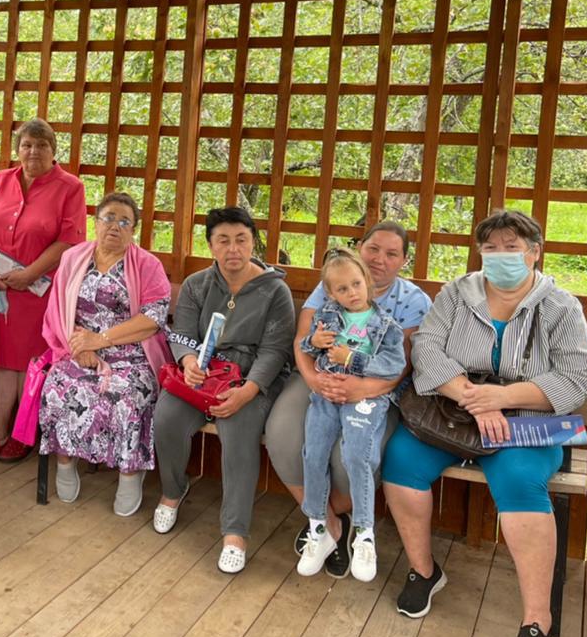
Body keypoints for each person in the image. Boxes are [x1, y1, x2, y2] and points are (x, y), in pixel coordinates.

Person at [381, 210, 587, 637]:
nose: (501, 257)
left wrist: (504, 396)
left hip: (529, 415)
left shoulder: (560, 307)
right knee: (399, 461)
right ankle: (424, 570)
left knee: (520, 483)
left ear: (535, 252)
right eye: (491, 248)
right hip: (456, 409)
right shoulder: (457, 294)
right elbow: (428, 350)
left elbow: (577, 379)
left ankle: (537, 619)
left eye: (512, 247)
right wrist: (474, 398)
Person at [264, 220, 431, 577]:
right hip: (320, 380)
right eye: (372, 249)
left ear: (403, 260)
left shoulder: (413, 300)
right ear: (360, 248)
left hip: (379, 389)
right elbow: (304, 340)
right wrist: (315, 380)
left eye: (391, 253)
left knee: (351, 457)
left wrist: (363, 388)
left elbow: (402, 364)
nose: (379, 259)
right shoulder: (333, 285)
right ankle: (326, 526)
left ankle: (336, 524)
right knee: (282, 434)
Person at [151, 206, 294, 574]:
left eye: (241, 240)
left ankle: (235, 532)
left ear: (253, 243)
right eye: (223, 241)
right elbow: (182, 334)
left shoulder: (275, 290)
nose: (233, 249)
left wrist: (249, 390)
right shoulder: (199, 285)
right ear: (211, 246)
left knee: (238, 426)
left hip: (252, 377)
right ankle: (173, 490)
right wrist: (187, 362)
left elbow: (275, 350)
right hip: (203, 374)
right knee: (167, 415)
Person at [37, 193, 171, 517]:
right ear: (95, 223)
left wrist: (101, 340)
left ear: (134, 231)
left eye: (125, 221)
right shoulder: (73, 258)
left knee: (129, 395)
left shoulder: (147, 265)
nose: (115, 226)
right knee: (59, 386)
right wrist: (78, 348)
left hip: (133, 354)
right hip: (79, 347)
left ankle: (130, 473)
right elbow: (57, 310)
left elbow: (153, 319)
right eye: (109, 217)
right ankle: (65, 461)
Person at [0, 119, 86, 462]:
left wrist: (29, 273)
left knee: (31, 363)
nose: (33, 151)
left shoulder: (70, 187)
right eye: (26, 145)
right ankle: (0, 432)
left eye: (41, 145)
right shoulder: (0, 179)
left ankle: (24, 435)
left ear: (54, 150)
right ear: (17, 149)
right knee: (2, 362)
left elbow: (70, 239)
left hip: (38, 289)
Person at [295, 248, 404, 583]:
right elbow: (306, 349)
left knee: (356, 455)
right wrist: (313, 340)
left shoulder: (385, 325)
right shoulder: (327, 315)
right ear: (331, 293)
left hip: (364, 399)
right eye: (342, 289)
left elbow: (394, 365)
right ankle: (319, 527)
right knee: (313, 452)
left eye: (356, 284)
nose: (351, 293)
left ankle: (364, 533)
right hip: (327, 393)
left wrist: (351, 357)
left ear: (367, 283)